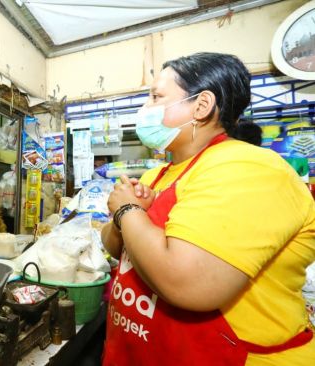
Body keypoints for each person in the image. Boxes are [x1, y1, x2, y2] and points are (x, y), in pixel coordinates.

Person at [101, 52, 315, 365]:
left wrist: (128, 212)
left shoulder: (249, 169)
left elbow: (188, 283)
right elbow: (114, 246)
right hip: (145, 349)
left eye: (157, 97)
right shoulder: (155, 175)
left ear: (201, 106)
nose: (144, 109)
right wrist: (125, 217)